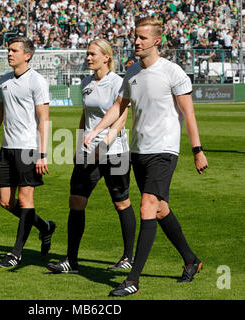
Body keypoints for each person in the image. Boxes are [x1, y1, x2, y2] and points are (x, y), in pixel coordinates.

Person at [84, 17, 209, 297]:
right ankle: (191, 259)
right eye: (135, 36)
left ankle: (133, 278)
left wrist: (197, 150)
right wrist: (96, 131)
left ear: (157, 40)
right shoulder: (131, 73)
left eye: (142, 37)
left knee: (147, 206)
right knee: (160, 208)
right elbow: (119, 105)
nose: (136, 42)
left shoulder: (173, 73)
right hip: (139, 151)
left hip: (164, 150)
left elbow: (188, 113)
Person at [47, 39, 136, 274]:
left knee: (121, 203)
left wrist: (104, 145)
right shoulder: (85, 83)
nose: (88, 58)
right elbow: (85, 116)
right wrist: (79, 146)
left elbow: (122, 118)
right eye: (87, 54)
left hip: (115, 153)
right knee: (76, 202)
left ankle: (128, 257)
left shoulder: (119, 82)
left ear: (106, 57)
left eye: (92, 54)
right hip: (88, 153)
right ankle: (71, 260)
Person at [0, 36, 56, 268]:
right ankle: (45, 227)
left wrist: (42, 154)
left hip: (28, 149)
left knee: (25, 198)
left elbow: (44, 119)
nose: (9, 53)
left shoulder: (37, 81)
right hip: (6, 149)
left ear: (26, 55)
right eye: (8, 50)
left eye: (13, 50)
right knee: (5, 202)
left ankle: (16, 254)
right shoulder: (5, 80)